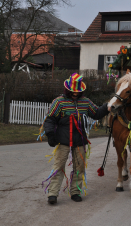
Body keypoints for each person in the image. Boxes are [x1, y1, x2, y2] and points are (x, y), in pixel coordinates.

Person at [44, 73, 110, 205]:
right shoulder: (59, 102)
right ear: (68, 90)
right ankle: (52, 194)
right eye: (73, 91)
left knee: (79, 167)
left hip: (80, 140)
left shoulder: (86, 102)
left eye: (77, 92)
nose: (75, 94)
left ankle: (75, 192)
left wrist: (108, 106)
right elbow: (50, 119)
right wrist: (50, 134)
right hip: (62, 140)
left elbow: (96, 113)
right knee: (58, 166)